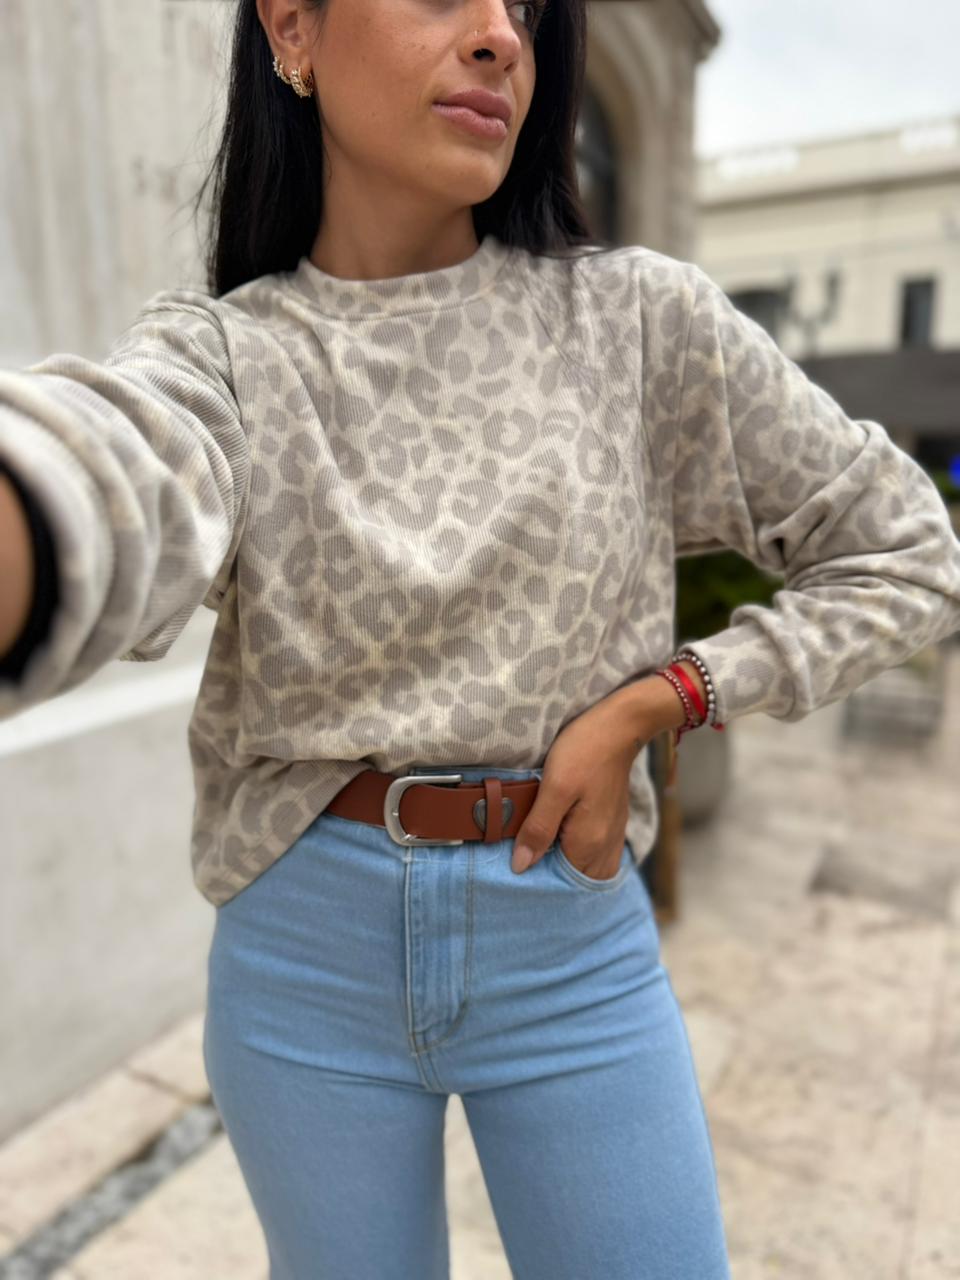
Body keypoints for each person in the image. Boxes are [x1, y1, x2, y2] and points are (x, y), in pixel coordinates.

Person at [2, 0, 960, 1276]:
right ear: (292, 28)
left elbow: (910, 546)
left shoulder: (636, 323)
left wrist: (666, 696)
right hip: (304, 955)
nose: (502, 34)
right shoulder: (226, 356)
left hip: (568, 939)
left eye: (522, 6)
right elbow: (117, 467)